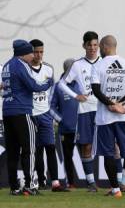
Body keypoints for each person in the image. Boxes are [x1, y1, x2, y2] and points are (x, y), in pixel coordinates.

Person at [2, 39, 53, 195]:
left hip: (7, 112)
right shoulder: (21, 65)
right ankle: (30, 185)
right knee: (30, 150)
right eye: (31, 52)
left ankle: (14, 187)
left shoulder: (6, 65)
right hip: (22, 111)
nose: (33, 55)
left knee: (12, 151)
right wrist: (48, 83)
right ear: (23, 53)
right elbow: (33, 86)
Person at [91, 35, 125, 197]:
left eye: (100, 47)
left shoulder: (98, 66)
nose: (98, 49)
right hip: (124, 117)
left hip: (105, 118)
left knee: (108, 154)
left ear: (105, 46)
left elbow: (96, 90)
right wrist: (121, 103)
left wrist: (111, 104)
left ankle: (116, 190)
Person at [58, 31, 100, 192]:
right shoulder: (77, 64)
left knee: (113, 145)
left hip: (104, 109)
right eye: (89, 45)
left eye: (95, 44)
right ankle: (91, 184)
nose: (92, 48)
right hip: (85, 110)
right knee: (86, 146)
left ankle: (118, 183)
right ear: (84, 46)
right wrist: (76, 95)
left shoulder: (104, 62)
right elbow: (61, 83)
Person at [29, 39, 67, 192]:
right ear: (30, 52)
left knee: (50, 147)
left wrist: (50, 113)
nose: (39, 55)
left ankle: (56, 182)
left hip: (45, 114)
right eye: (36, 52)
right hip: (30, 114)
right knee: (36, 149)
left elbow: (51, 92)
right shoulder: (25, 69)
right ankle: (40, 180)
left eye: (41, 52)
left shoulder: (49, 69)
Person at [50, 58, 79, 189]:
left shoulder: (81, 84)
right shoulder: (58, 86)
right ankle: (70, 183)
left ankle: (91, 183)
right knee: (68, 157)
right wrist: (61, 120)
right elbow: (50, 107)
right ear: (67, 70)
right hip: (66, 129)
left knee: (87, 154)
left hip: (82, 128)